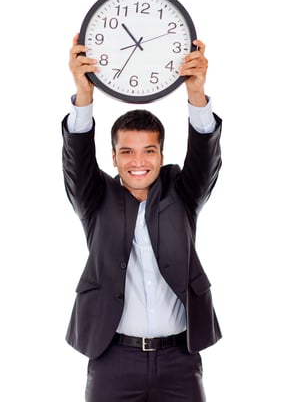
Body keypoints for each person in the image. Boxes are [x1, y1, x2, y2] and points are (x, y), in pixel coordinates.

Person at [62, 33, 222, 402]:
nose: (138, 162)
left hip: (179, 361)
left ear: (162, 154)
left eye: (149, 151)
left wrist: (196, 95)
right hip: (113, 359)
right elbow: (76, 160)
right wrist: (83, 96)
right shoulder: (95, 198)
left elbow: (205, 159)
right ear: (114, 157)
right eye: (127, 152)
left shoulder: (182, 194)